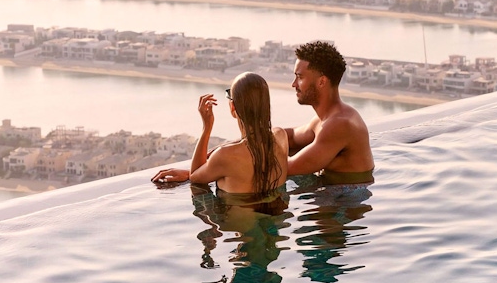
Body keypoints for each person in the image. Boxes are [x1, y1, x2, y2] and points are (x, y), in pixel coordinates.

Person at [151, 72, 289, 196]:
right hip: (276, 221)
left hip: (239, 224)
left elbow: (194, 176)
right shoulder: (281, 136)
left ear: (233, 107)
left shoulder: (225, 156)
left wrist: (207, 127)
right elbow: (251, 144)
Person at [285, 41, 375, 184]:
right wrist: (246, 141)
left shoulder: (340, 124)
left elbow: (286, 168)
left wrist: (240, 157)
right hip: (332, 192)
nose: (294, 84)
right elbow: (290, 138)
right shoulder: (323, 120)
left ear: (322, 82)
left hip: (346, 200)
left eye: (300, 77)